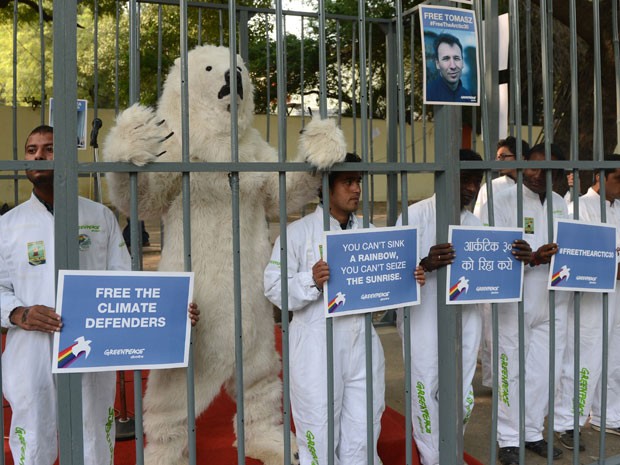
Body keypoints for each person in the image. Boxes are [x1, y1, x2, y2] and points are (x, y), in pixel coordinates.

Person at [0, 125, 200, 465]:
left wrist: (169, 310)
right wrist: (20, 314)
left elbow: (123, 283)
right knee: (33, 438)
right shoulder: (8, 225)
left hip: (91, 348)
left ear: (65, 156)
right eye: (32, 149)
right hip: (31, 349)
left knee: (93, 435)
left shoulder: (97, 216)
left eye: (48, 148)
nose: (39, 156)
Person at [264, 152, 424, 465]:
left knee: (364, 424)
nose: (356, 190)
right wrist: (310, 281)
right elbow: (273, 287)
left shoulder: (371, 234)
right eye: (348, 182)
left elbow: (386, 285)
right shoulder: (297, 234)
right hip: (315, 344)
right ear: (326, 187)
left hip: (362, 341)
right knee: (318, 425)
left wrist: (410, 277)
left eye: (358, 182)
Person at [396, 150, 530, 465]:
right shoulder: (415, 216)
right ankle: (433, 459)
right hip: (423, 319)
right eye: (465, 179)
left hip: (465, 320)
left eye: (476, 181)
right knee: (425, 391)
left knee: (462, 395)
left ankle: (450, 451)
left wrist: (521, 258)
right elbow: (393, 276)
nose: (471, 188)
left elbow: (489, 271)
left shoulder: (474, 223)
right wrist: (425, 264)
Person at [480, 143, 570, 465]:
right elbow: (486, 250)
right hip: (515, 299)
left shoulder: (560, 204)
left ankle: (532, 432)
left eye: (547, 169)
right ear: (522, 165)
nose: (537, 174)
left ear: (557, 173)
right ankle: (508, 437)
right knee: (510, 369)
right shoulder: (501, 200)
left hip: (554, 300)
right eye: (532, 166)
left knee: (543, 372)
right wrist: (531, 257)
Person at [554, 154, 620, 451]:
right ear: (599, 178)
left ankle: (609, 414)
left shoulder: (618, 208)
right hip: (589, 297)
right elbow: (573, 257)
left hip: (616, 295)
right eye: (618, 179)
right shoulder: (577, 209)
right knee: (582, 359)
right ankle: (567, 422)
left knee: (615, 357)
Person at [474, 136, 530, 388]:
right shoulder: (492, 187)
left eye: (503, 156)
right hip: (499, 261)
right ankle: (496, 380)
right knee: (494, 328)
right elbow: (480, 223)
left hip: (528, 263)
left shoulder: (532, 185)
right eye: (497, 157)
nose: (498, 161)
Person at [426, 33, 474, 103]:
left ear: (463, 62)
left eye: (456, 58)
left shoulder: (467, 95)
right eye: (446, 59)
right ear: (437, 64)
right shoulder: (428, 94)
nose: (453, 66)